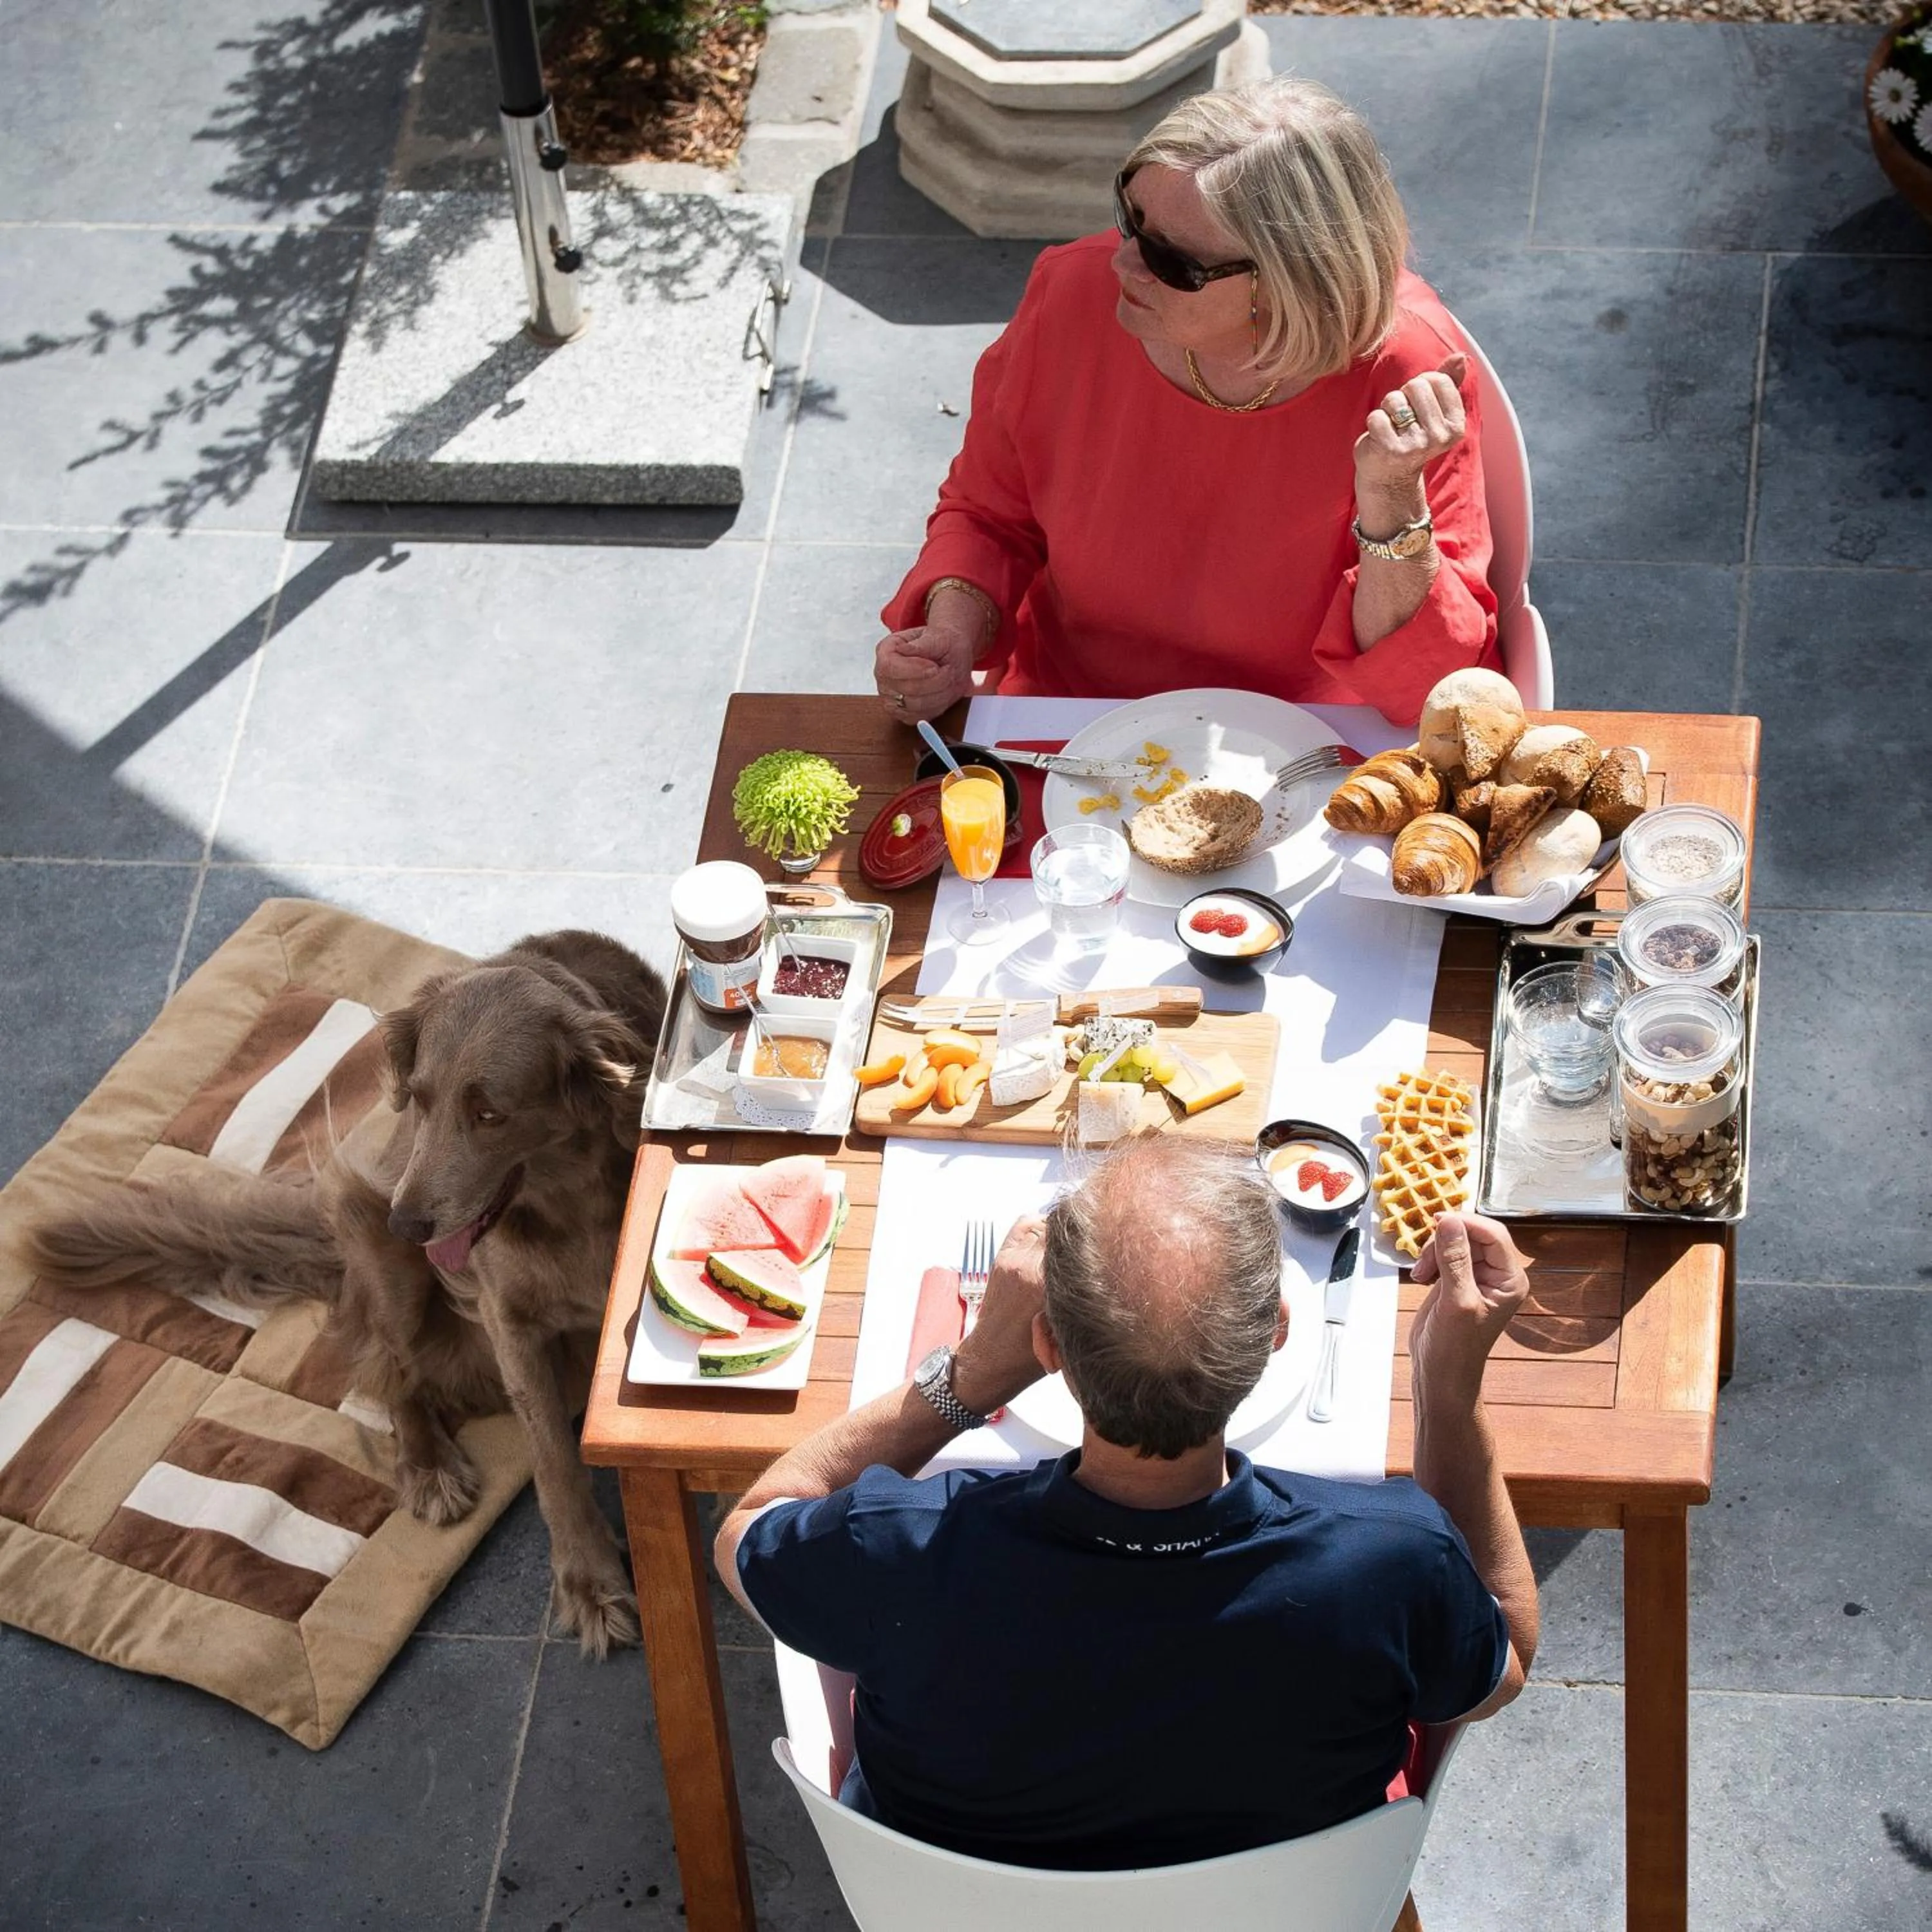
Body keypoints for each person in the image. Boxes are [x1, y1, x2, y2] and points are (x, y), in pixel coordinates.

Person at [715, 1139, 1539, 1872]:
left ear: (1046, 1345)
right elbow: (1501, 1668)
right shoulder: (1392, 1560)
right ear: (1277, 1330)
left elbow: (748, 1527)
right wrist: (1447, 1388)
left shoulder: (896, 1544)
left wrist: (971, 1373)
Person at [871, 78, 1503, 730]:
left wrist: (1392, 498)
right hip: (1076, 713)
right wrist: (952, 634)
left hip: (1310, 735)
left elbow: (1431, 684)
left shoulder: (1406, 370)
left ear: (1291, 278)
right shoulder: (1070, 293)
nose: (1122, 263)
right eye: (1132, 219)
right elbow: (988, 515)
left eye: (1174, 262)